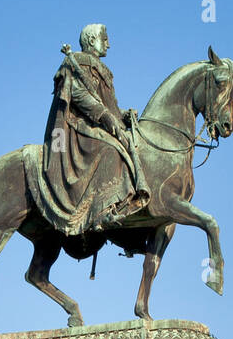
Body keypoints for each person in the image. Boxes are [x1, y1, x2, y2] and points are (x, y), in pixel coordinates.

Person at [24, 23, 149, 238]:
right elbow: (77, 94)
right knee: (110, 150)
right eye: (105, 38)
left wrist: (122, 115)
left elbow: (108, 104)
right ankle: (100, 210)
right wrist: (104, 115)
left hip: (97, 121)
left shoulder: (102, 69)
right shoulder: (77, 62)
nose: (109, 44)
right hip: (76, 126)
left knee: (131, 143)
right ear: (92, 41)